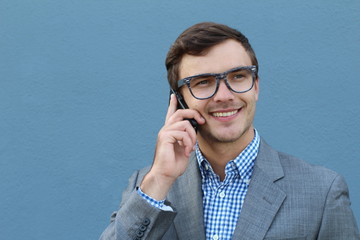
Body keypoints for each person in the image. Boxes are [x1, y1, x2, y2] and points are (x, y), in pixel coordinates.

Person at [99, 22, 359, 240]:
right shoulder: (147, 185)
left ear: (256, 86)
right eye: (203, 82)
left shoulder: (323, 192)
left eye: (238, 77)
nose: (224, 96)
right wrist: (160, 179)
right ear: (179, 100)